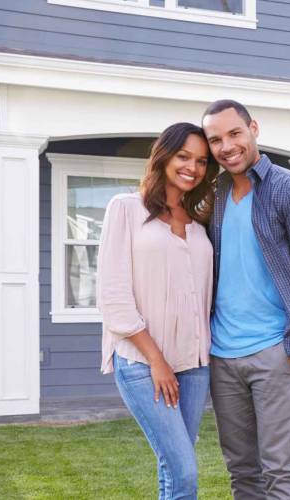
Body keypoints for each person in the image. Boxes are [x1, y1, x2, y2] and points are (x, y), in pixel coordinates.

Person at [202, 99, 290, 500]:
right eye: (215, 140)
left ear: (253, 128)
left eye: (234, 133)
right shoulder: (215, 196)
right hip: (223, 355)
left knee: (280, 472)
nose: (227, 147)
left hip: (275, 351)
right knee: (242, 472)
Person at [96, 122, 218, 500]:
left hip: (195, 364)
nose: (192, 167)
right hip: (143, 363)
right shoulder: (125, 209)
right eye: (183, 156)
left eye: (201, 161)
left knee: (173, 465)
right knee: (184, 471)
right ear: (164, 156)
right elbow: (113, 296)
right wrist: (156, 360)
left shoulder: (200, 223)